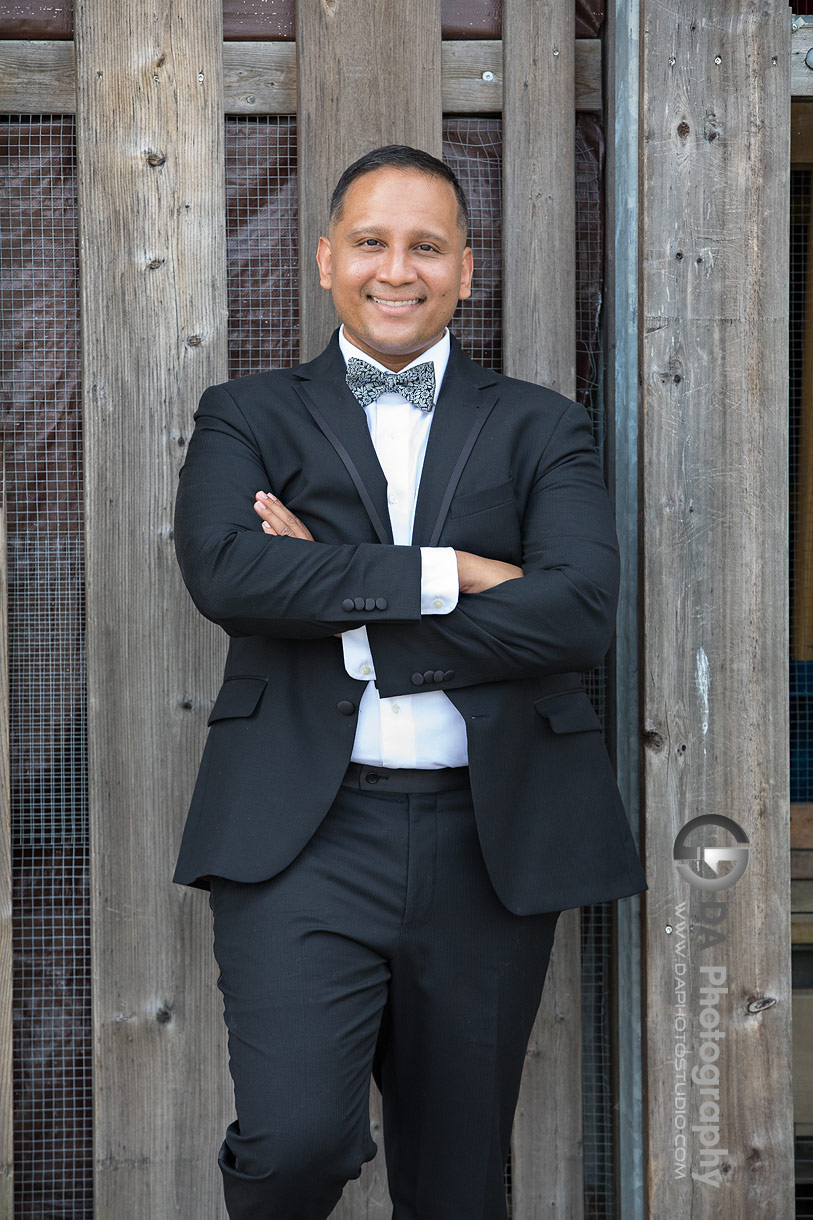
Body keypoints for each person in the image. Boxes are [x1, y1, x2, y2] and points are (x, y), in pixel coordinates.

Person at [172, 144, 648, 1220]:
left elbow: (578, 612)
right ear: (326, 259)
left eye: (426, 246)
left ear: (465, 271)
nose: (397, 270)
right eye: (372, 243)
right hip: (300, 837)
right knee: (295, 1143)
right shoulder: (247, 414)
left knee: (456, 1181)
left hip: (488, 837)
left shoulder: (541, 424)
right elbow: (229, 573)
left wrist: (340, 602)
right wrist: (458, 572)